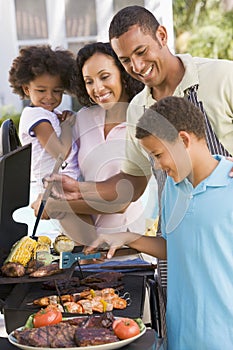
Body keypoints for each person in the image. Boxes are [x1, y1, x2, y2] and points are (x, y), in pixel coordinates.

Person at [85, 96, 233, 350]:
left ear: (184, 141)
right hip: (180, 336)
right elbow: (175, 247)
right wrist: (127, 238)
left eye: (157, 154)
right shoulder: (173, 189)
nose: (157, 165)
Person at [32, 42, 147, 241]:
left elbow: (122, 200)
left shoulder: (141, 122)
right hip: (82, 245)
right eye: (89, 81)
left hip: (126, 250)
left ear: (123, 73)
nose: (98, 88)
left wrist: (56, 206)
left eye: (104, 77)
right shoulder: (83, 119)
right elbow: (65, 166)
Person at [8, 45, 95, 239]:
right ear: (26, 88)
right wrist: (66, 126)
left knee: (89, 241)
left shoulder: (50, 114)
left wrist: (65, 121)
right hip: (54, 192)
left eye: (57, 91)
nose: (50, 97)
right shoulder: (36, 117)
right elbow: (59, 152)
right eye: (41, 90)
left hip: (68, 188)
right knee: (87, 242)